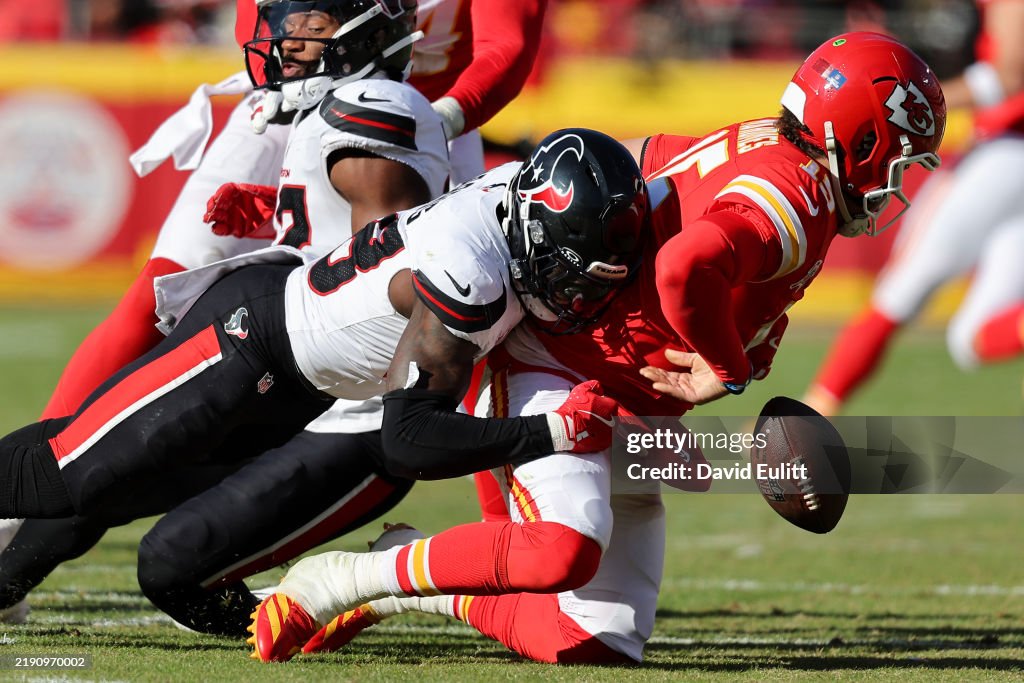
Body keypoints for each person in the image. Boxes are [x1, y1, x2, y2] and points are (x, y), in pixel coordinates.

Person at [247, 31, 947, 664]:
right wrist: (728, 369)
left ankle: (401, 575)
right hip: (558, 367)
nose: (899, 180)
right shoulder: (796, 204)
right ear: (860, 142)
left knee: (596, 642)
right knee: (561, 548)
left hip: (608, 393)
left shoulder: (772, 148)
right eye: (902, 157)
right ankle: (341, 580)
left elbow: (654, 171)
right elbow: (685, 268)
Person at [0, 0, 550, 628]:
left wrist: (440, 121)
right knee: (96, 463)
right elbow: (376, 257)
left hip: (313, 332)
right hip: (280, 330)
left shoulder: (379, 109)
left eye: (310, 31)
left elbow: (383, 250)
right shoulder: (348, 102)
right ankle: (18, 523)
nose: (283, 45)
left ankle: (476, 551)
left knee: (159, 542)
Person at [804, 1, 1024, 415]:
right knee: (971, 340)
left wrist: (919, 101)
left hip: (1007, 152)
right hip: (1009, 159)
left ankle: (811, 413)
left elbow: (1011, 75)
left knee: (897, 293)